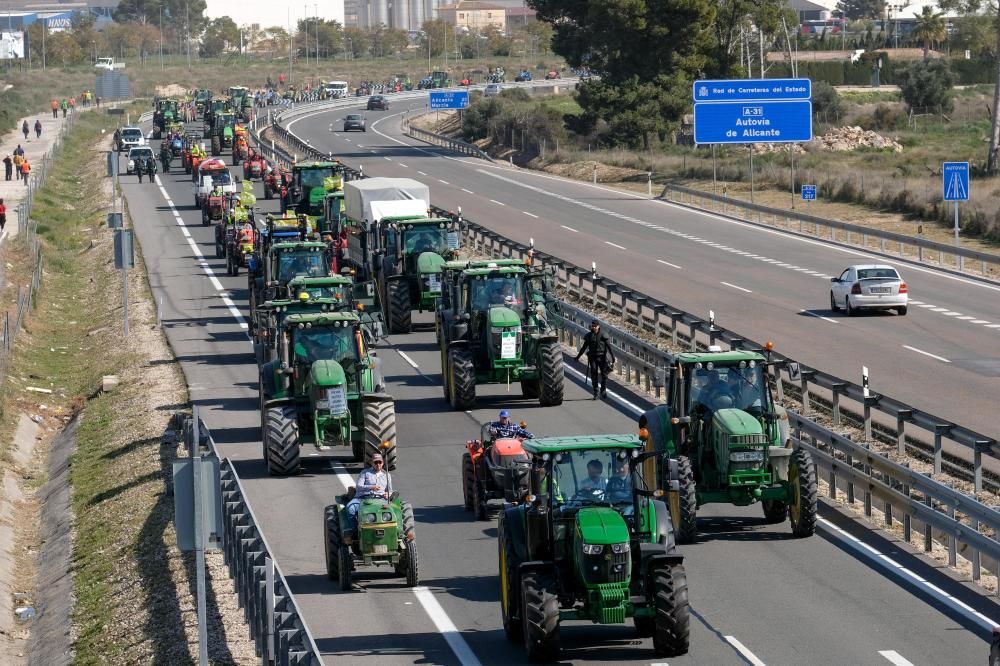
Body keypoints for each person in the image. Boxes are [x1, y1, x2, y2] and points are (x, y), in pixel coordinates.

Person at [344, 452, 392, 542]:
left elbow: (390, 490)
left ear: (383, 463)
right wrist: (371, 487)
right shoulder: (365, 473)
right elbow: (358, 486)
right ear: (371, 463)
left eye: (379, 462)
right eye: (375, 462)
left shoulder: (387, 475)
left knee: (392, 513)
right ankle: (355, 530)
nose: (378, 464)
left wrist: (388, 494)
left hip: (379, 499)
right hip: (362, 498)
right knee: (350, 508)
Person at [575, 319, 615, 400]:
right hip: (592, 357)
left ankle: (603, 390)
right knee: (594, 374)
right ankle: (596, 392)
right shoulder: (589, 336)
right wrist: (578, 357)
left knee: (604, 375)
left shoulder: (604, 335)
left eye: (595, 326)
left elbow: (609, 347)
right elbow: (583, 348)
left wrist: (612, 357)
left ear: (598, 326)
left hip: (602, 358)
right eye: (592, 326)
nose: (593, 328)